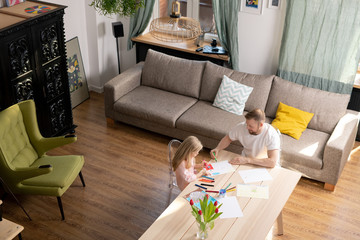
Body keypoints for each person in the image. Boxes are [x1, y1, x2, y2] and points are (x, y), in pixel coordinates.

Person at [211, 109, 280, 168]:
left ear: (261, 125)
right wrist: (218, 148)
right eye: (247, 124)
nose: (247, 127)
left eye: (250, 126)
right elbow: (228, 138)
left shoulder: (271, 134)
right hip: (245, 162)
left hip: (263, 165)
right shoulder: (242, 127)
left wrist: (247, 160)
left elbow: (272, 162)